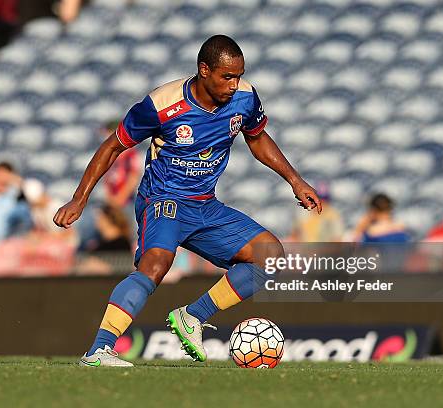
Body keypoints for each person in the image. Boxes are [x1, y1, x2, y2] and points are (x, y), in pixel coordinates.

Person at [54, 35, 322, 367]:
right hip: (162, 198)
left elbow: (257, 137)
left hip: (205, 204)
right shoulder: (162, 104)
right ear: (204, 70)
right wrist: (79, 199)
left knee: (270, 256)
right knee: (155, 265)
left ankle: (192, 316)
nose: (233, 84)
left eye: (238, 75)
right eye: (227, 76)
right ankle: (98, 350)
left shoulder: (244, 98)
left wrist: (295, 180)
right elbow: (112, 146)